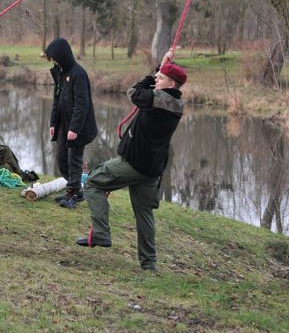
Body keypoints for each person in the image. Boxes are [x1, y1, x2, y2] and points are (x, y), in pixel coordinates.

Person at [76, 49, 186, 272]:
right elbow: (152, 91)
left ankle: (101, 234)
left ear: (172, 85)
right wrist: (161, 68)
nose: (157, 79)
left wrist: (151, 74)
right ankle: (149, 263)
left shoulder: (157, 99)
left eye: (161, 78)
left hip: (133, 164)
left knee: (92, 182)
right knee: (144, 214)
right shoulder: (175, 104)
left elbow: (134, 91)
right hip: (151, 170)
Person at [46, 37, 97, 209]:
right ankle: (76, 190)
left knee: (74, 159)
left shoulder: (78, 74)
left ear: (62, 55)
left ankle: (73, 195)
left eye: (54, 57)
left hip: (79, 126)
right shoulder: (59, 73)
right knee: (61, 159)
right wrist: (53, 123)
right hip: (63, 124)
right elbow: (57, 99)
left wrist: (74, 128)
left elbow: (82, 104)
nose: (53, 61)